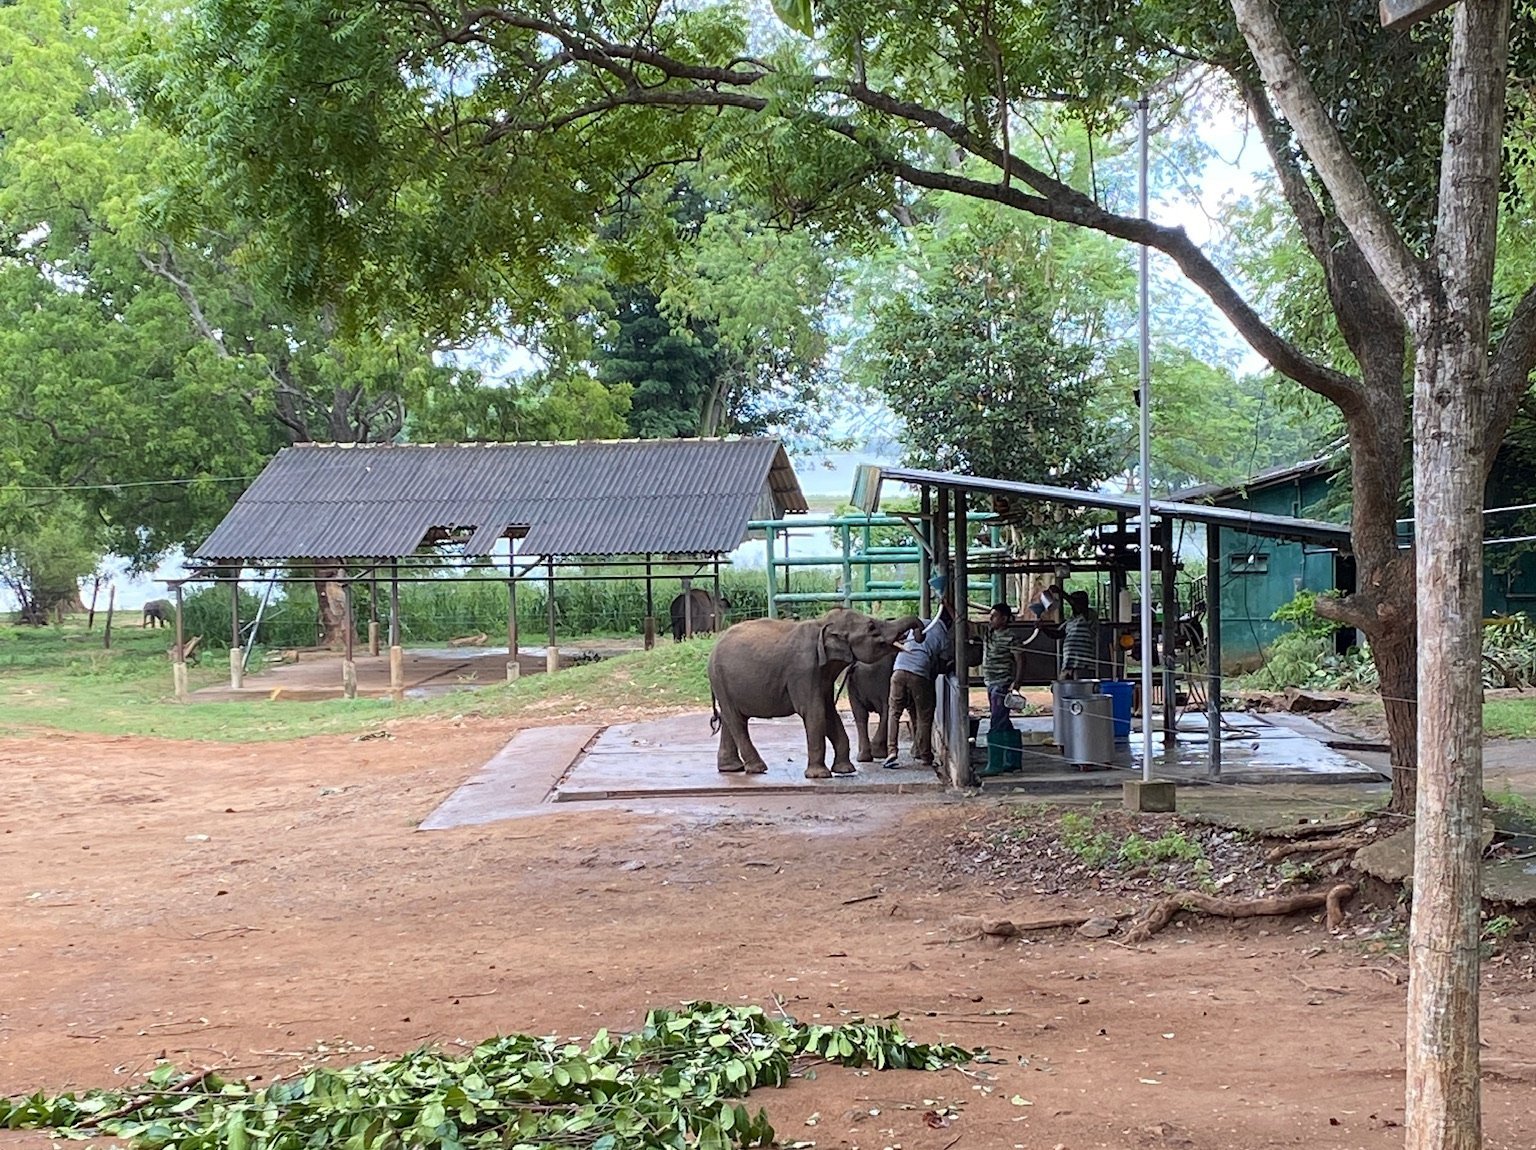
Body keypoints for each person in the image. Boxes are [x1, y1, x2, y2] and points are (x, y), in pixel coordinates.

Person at [882, 603, 951, 770]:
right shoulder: (943, 634)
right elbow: (943, 662)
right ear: (949, 623)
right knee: (924, 715)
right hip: (919, 674)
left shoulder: (922, 622)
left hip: (898, 669)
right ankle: (925, 755)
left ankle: (891, 751)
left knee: (894, 712)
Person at [981, 602, 1027, 740]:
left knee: (997, 718)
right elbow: (965, 624)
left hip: (1002, 682)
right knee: (1000, 717)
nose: (991, 619)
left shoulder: (1011, 637)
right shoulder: (988, 633)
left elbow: (1021, 660)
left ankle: (997, 749)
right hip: (990, 681)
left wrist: (1017, 682)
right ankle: (1010, 747)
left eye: (994, 616)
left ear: (1004, 618)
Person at [1060, 590, 1101, 680]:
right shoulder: (1071, 620)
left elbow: (1080, 608)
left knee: (1081, 690)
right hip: (1068, 664)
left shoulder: (1090, 615)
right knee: (1062, 689)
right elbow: (1058, 634)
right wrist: (1043, 628)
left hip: (1084, 665)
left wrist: (1061, 593)